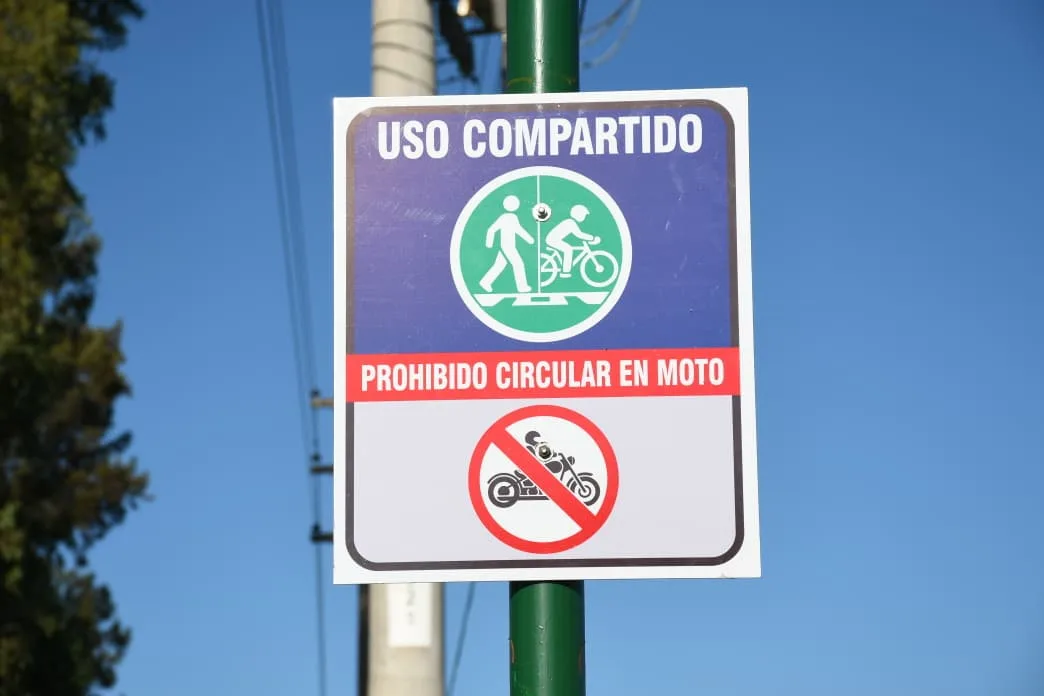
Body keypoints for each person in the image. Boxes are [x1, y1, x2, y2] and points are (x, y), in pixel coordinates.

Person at [479, 194, 534, 293]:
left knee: (499, 265)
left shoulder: (509, 217)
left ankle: (485, 282)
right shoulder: (509, 217)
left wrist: (529, 239)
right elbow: (518, 230)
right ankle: (522, 287)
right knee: (518, 264)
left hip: (506, 246)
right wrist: (489, 244)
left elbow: (517, 230)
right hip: (507, 247)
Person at [544, 204, 600, 278]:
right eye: (583, 215)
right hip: (552, 240)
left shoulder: (571, 222)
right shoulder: (570, 222)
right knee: (568, 249)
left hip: (553, 239)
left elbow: (578, 234)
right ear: (578, 215)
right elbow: (579, 234)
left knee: (568, 248)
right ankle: (565, 272)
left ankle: (566, 268)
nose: (584, 217)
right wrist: (592, 238)